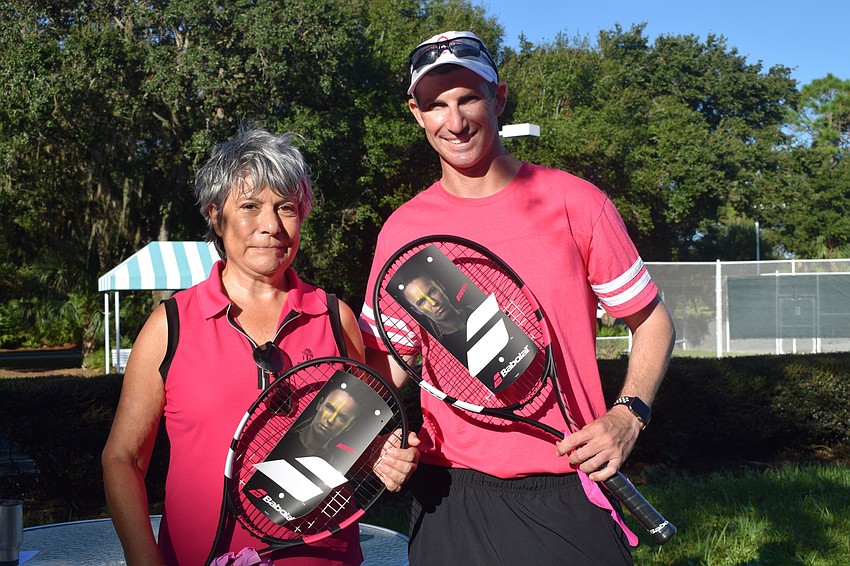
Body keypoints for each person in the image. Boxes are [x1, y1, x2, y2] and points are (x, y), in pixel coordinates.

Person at [358, 31, 675, 565]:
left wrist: (628, 415)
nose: (455, 121)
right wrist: (380, 442)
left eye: (468, 98)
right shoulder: (403, 232)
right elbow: (387, 364)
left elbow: (653, 322)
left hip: (568, 483)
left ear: (499, 98)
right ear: (417, 114)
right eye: (436, 105)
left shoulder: (576, 203)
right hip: (448, 494)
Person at [102, 125, 420, 566]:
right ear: (216, 216)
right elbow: (123, 458)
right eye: (250, 206)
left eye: (286, 208)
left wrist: (384, 457)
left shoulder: (336, 318)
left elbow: (352, 444)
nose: (270, 226)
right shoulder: (169, 326)